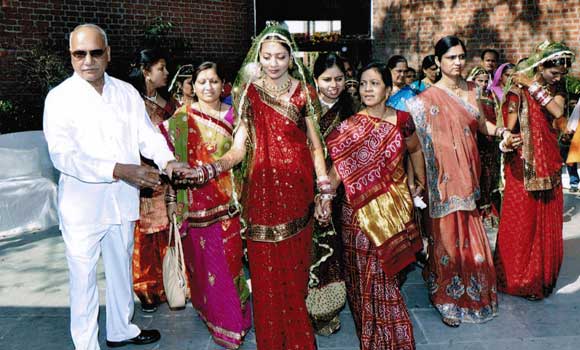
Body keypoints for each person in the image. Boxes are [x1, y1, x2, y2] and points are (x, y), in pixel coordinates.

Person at [179, 23, 332, 349]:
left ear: (291, 58)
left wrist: (325, 189)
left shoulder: (303, 92)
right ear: (258, 58)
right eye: (267, 57)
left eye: (280, 56)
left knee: (295, 274)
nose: (273, 63)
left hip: (298, 191)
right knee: (264, 279)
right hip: (261, 194)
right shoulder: (249, 93)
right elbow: (239, 149)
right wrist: (210, 169)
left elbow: (315, 145)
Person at [43, 23, 184, 349]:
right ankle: (86, 345)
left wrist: (167, 161)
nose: (88, 60)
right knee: (83, 279)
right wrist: (119, 170)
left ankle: (122, 329)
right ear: (71, 56)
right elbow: (63, 156)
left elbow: (146, 136)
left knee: (121, 267)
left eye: (95, 52)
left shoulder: (125, 92)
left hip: (121, 200)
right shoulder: (59, 98)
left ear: (108, 54)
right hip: (82, 206)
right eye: (80, 54)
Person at [407, 36, 513, 327]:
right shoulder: (423, 99)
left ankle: (471, 291)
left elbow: (481, 125)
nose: (457, 62)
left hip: (468, 174)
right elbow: (413, 143)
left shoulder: (472, 90)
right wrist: (415, 179)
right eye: (451, 57)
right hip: (440, 179)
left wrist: (503, 133)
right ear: (438, 61)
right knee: (446, 240)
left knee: (469, 234)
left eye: (461, 57)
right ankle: (446, 298)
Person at [326, 61, 423, 349]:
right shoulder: (349, 127)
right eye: (363, 83)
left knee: (386, 274)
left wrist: (418, 180)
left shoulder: (403, 120)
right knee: (361, 276)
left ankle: (394, 338)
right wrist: (323, 197)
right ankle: (370, 337)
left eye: (374, 83)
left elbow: (415, 149)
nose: (367, 89)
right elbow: (337, 172)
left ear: (388, 89)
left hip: (394, 207)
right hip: (355, 212)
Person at [162, 62, 251, 349]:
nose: (208, 87)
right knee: (200, 267)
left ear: (223, 84)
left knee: (228, 266)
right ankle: (211, 316)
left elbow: (239, 152)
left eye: (213, 81)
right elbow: (169, 162)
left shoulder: (235, 115)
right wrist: (172, 200)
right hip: (192, 206)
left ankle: (233, 325)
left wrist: (208, 170)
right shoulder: (181, 118)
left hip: (227, 203)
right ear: (193, 85)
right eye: (202, 82)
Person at [494, 41, 574, 300]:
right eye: (554, 72)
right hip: (523, 164)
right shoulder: (518, 90)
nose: (558, 77)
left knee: (543, 219)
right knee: (522, 219)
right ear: (541, 66)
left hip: (548, 161)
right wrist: (507, 140)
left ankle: (540, 279)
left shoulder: (552, 88)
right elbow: (508, 124)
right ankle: (517, 278)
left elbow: (557, 110)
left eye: (562, 73)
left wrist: (534, 85)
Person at [308, 52, 356, 336]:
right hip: (305, 189)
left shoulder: (352, 110)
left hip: (340, 190)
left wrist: (329, 190)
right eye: (326, 79)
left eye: (339, 79)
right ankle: (306, 308)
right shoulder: (306, 110)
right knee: (308, 251)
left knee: (332, 252)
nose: (333, 85)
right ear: (315, 80)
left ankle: (325, 312)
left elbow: (350, 156)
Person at [128, 48, 178, 313]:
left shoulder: (168, 103)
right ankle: (147, 288)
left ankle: (171, 284)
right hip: (144, 179)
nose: (166, 73)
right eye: (161, 68)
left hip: (167, 176)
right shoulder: (132, 102)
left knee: (168, 233)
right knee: (145, 238)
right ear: (146, 72)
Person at [468, 66, 502, 226]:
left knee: (491, 176)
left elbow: (498, 117)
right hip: (475, 143)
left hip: (491, 142)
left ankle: (491, 210)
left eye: (485, 81)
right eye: (479, 81)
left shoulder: (492, 96)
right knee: (478, 176)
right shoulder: (468, 98)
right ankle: (479, 210)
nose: (482, 84)